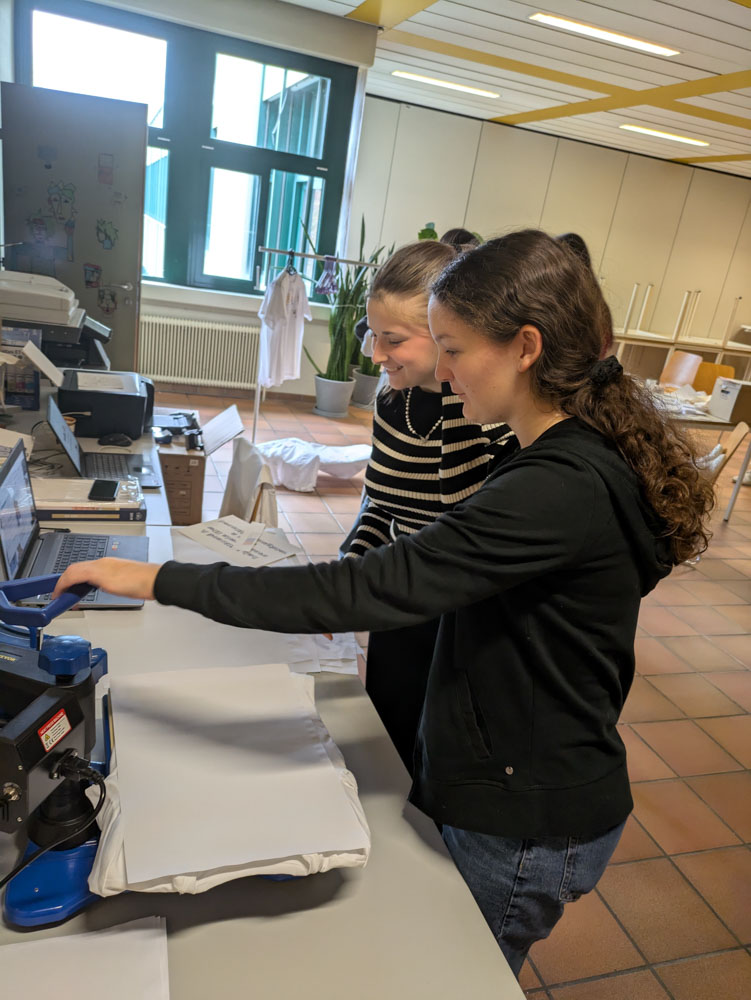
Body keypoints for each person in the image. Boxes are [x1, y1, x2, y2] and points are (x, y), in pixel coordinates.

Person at [54, 229, 714, 978]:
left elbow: (370, 587)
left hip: (526, 814)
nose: (444, 372)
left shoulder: (555, 487)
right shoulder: (560, 462)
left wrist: (155, 579)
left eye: (453, 348)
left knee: (456, 975)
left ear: (525, 347)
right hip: (507, 776)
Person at [346, 240, 516, 772]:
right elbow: (381, 502)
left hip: (465, 620)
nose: (375, 355)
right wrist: (351, 569)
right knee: (388, 732)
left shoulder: (493, 413)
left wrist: (454, 390)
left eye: (393, 339)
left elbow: (464, 520)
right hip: (403, 600)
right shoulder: (391, 401)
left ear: (446, 334)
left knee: (442, 753)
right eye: (373, 334)